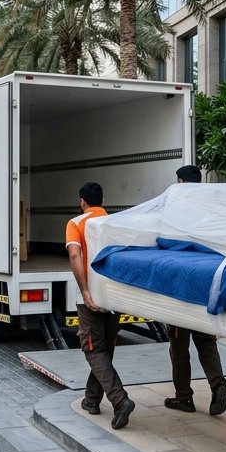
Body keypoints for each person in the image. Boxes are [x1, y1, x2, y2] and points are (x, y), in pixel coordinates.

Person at [66, 181, 135, 430]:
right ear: (102, 201)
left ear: (82, 201)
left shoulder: (76, 223)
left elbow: (75, 255)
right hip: (113, 296)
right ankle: (91, 399)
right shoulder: (114, 223)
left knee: (92, 350)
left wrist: (85, 291)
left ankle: (120, 400)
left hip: (92, 298)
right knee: (104, 349)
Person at [164, 165, 226, 415]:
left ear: (180, 181)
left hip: (183, 285)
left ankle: (184, 397)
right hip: (207, 282)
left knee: (179, 345)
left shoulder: (176, 207)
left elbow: (167, 242)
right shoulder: (210, 207)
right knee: (206, 340)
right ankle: (218, 383)